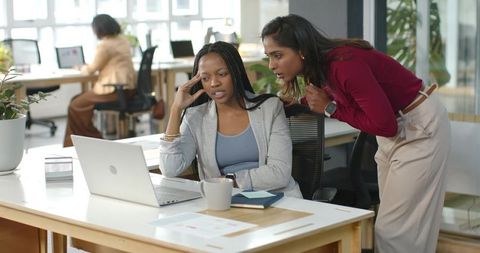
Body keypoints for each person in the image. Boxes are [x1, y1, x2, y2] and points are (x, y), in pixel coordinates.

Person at [261, 14, 450, 253]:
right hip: (400, 125)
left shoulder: (343, 65)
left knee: (395, 230)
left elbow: (384, 125)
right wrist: (302, 102)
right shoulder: (321, 66)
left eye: (278, 55)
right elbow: (354, 104)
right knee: (400, 227)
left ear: (302, 51)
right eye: (268, 57)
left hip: (418, 125)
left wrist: (330, 108)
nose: (272, 65)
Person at [158, 41, 302, 198]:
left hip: (277, 199)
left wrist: (230, 180)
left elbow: (280, 173)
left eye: (222, 74)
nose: (214, 83)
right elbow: (170, 169)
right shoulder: (195, 117)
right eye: (205, 78)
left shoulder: (269, 107)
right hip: (225, 202)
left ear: (236, 73)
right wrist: (175, 109)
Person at [63, 14, 136, 147]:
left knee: (75, 106)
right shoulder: (123, 40)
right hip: (128, 88)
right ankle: (80, 141)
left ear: (99, 29)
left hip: (112, 89)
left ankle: (93, 140)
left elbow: (92, 69)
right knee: (76, 100)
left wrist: (81, 68)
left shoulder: (105, 45)